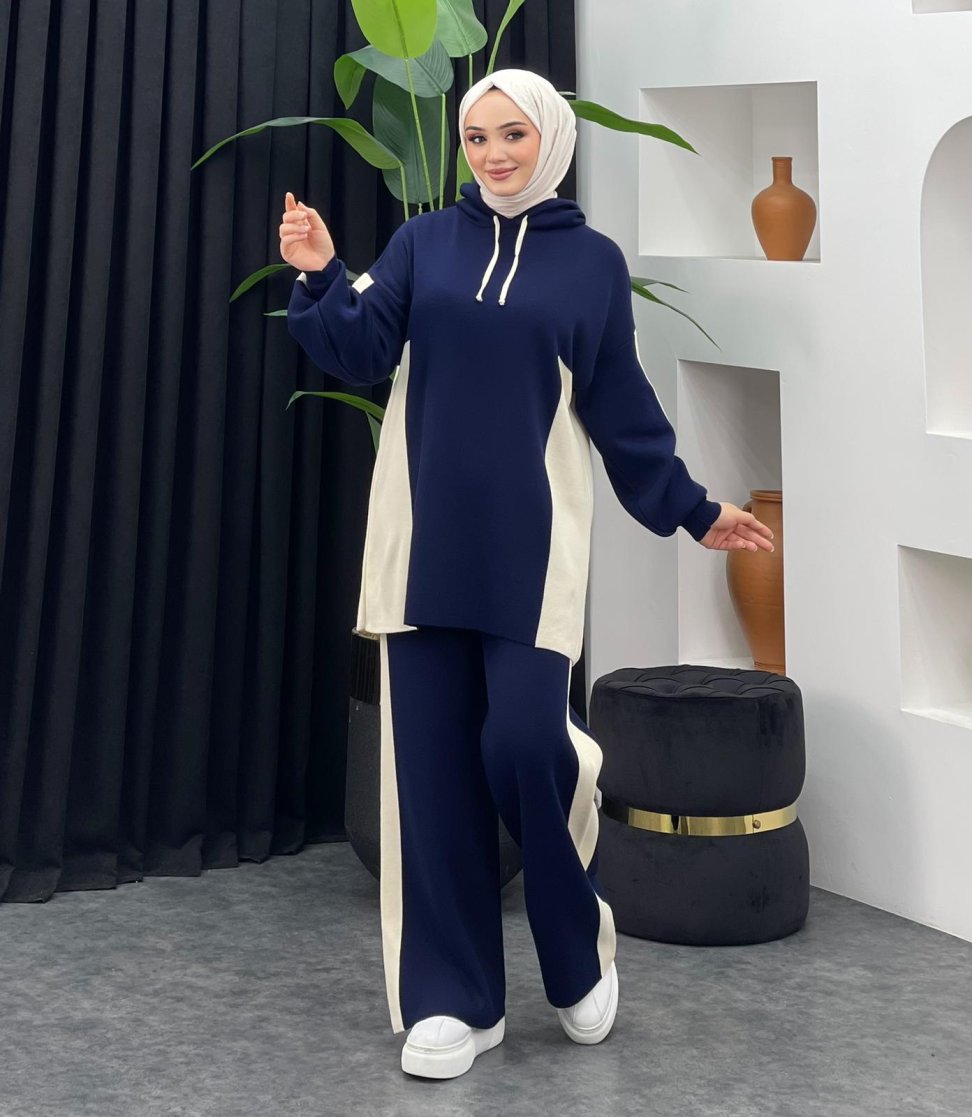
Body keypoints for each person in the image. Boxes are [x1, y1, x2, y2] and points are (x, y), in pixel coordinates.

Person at [279, 67, 775, 1081]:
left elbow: (620, 404)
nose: (493, 154)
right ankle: (453, 1000)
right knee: (431, 778)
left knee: (520, 743)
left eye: (513, 134)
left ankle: (572, 941)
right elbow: (361, 347)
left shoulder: (589, 264)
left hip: (532, 553)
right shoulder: (424, 244)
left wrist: (692, 509)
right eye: (477, 137)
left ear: (549, 138)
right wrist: (323, 272)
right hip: (421, 549)